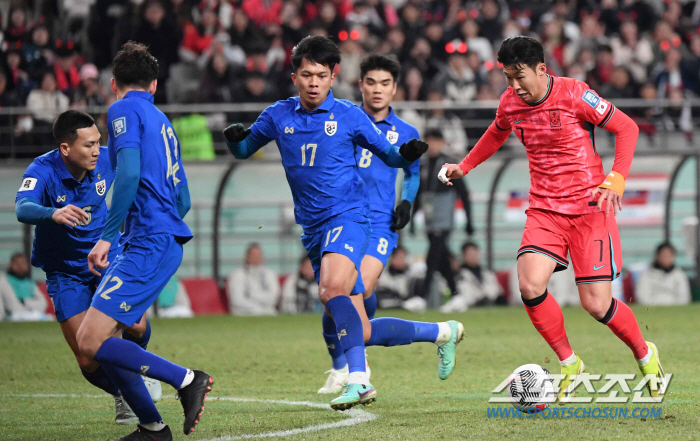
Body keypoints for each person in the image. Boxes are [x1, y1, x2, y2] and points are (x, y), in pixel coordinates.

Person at [223, 36, 451, 411]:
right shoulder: (277, 116)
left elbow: (391, 157)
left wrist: (406, 155)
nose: (314, 82)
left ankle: (356, 378)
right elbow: (246, 149)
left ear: (334, 78)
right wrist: (234, 142)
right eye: (307, 74)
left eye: (322, 75)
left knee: (331, 290)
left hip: (350, 218)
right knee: (357, 325)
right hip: (313, 229)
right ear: (293, 76)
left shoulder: (348, 115)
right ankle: (441, 332)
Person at [440, 36, 666, 400]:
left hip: (589, 210)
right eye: (508, 78)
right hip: (544, 209)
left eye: (520, 76)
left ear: (542, 69)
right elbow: (496, 133)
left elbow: (627, 128)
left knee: (596, 304)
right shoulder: (510, 103)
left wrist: (617, 177)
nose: (514, 86)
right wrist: (464, 166)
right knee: (529, 285)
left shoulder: (575, 93)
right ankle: (569, 361)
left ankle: (644, 352)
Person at [76, 42, 212, 440]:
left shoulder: (121, 109)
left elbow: (129, 173)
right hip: (160, 238)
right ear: (154, 85)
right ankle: (153, 428)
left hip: (148, 241)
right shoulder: (163, 121)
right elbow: (183, 198)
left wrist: (106, 236)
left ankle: (186, 379)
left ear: (113, 83)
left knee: (89, 339)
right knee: (109, 340)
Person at [317, 54, 466, 396]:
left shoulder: (406, 131)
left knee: (353, 290)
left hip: (379, 224)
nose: (378, 90)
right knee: (340, 301)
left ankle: (355, 366)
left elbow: (412, 172)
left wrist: (408, 203)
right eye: (371, 82)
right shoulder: (343, 120)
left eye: (385, 83)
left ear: (395, 88)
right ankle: (437, 334)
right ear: (361, 85)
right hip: (341, 219)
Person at [14, 110, 161, 426]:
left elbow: (140, 179)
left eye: (98, 142)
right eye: (88, 145)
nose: (96, 150)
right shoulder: (42, 169)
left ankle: (141, 371)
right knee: (86, 355)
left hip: (108, 259)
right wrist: (52, 213)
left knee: (135, 324)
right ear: (65, 148)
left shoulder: (109, 159)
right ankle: (124, 393)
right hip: (64, 270)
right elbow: (22, 207)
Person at [414, 129, 474, 304]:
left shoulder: (449, 165)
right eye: (429, 141)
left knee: (433, 255)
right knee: (442, 258)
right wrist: (411, 219)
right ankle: (457, 296)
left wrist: (469, 220)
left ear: (442, 143)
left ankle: (421, 296)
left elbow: (463, 193)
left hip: (444, 220)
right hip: (429, 220)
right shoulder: (422, 165)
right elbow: (418, 194)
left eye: (435, 141)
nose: (432, 145)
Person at [440, 242, 505, 313]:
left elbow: (497, 290)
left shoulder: (486, 271)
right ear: (464, 256)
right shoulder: (459, 273)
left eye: (474, 253)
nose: (473, 256)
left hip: (491, 302)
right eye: (470, 254)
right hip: (471, 304)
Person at [227, 243, 280, 316]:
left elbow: (274, 297)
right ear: (247, 257)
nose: (256, 257)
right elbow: (237, 299)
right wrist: (257, 308)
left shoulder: (270, 273)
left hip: (267, 311)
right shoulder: (237, 274)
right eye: (253, 255)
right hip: (243, 313)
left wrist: (252, 296)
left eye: (259, 255)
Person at [0, 253, 50, 321]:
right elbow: (13, 306)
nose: (20, 266)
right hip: (12, 318)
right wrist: (30, 305)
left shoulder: (30, 282)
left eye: (23, 263)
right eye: (17, 264)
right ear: (11, 264)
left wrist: (24, 301)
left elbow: (43, 304)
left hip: (33, 316)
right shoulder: (4, 281)